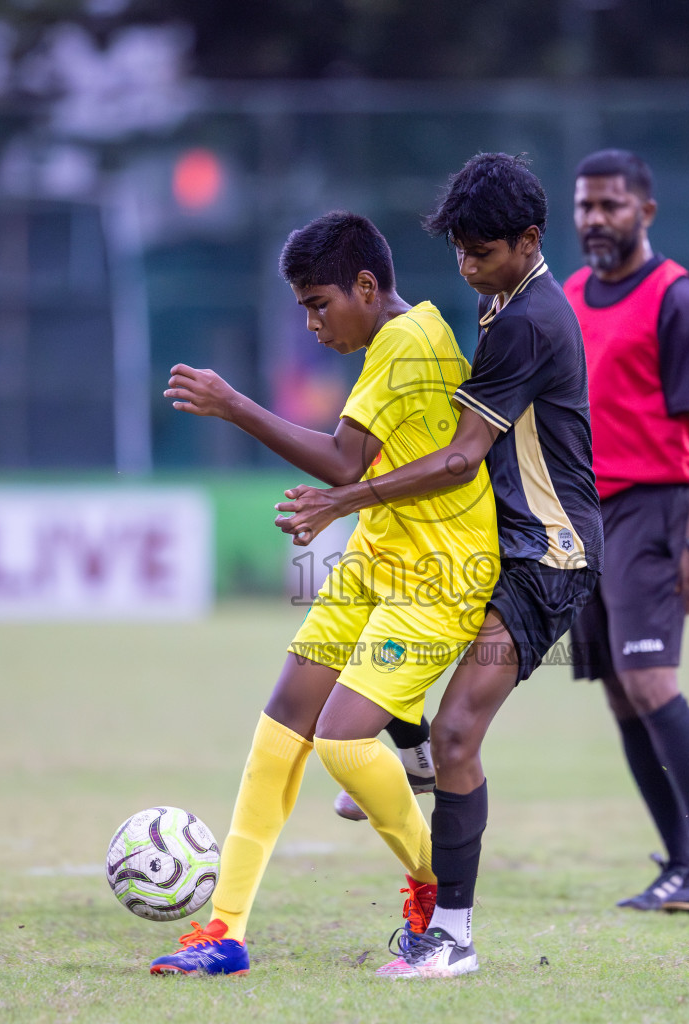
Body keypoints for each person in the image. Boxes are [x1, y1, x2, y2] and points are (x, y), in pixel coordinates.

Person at [275, 153, 602, 977]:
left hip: (548, 555)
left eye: (482, 253)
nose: (466, 267)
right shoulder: (503, 301)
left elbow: (461, 458)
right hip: (502, 546)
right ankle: (410, 752)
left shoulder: (528, 322)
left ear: (529, 241)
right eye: (457, 250)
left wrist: (342, 502)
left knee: (462, 733)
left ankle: (450, 935)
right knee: (405, 641)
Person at [147, 212, 498, 976]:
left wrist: (234, 403)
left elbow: (344, 464)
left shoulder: (404, 346)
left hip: (440, 577)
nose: (310, 323)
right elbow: (366, 468)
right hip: (379, 560)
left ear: (366, 287)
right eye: (304, 308)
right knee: (282, 728)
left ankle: (438, 890)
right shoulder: (416, 327)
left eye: (317, 303)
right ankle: (225, 931)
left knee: (341, 741)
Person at [563, 149, 689, 912]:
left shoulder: (679, 299)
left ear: (646, 212)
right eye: (584, 206)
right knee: (617, 693)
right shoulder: (567, 295)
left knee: (650, 680)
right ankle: (679, 862)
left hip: (653, 508)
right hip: (582, 517)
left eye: (611, 205)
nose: (596, 220)